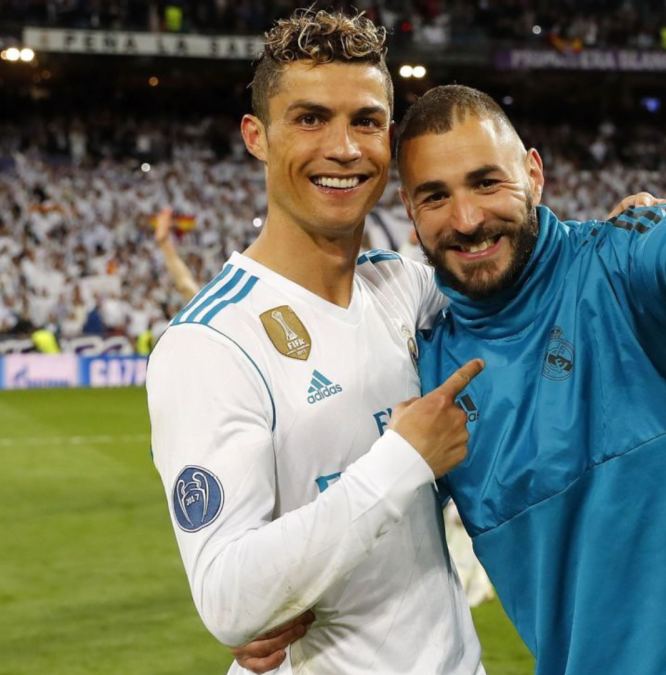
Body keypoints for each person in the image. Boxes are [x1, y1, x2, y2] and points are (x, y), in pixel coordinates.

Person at [396, 85, 666, 674]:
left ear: (533, 173)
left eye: (486, 182)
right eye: (436, 196)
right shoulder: (428, 370)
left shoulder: (621, 267)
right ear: (409, 208)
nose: (467, 218)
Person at [146, 10, 487, 674]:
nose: (344, 148)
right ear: (257, 135)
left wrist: (628, 227)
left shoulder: (405, 289)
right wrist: (404, 458)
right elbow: (229, 599)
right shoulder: (210, 344)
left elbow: (530, 292)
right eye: (309, 119)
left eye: (364, 121)